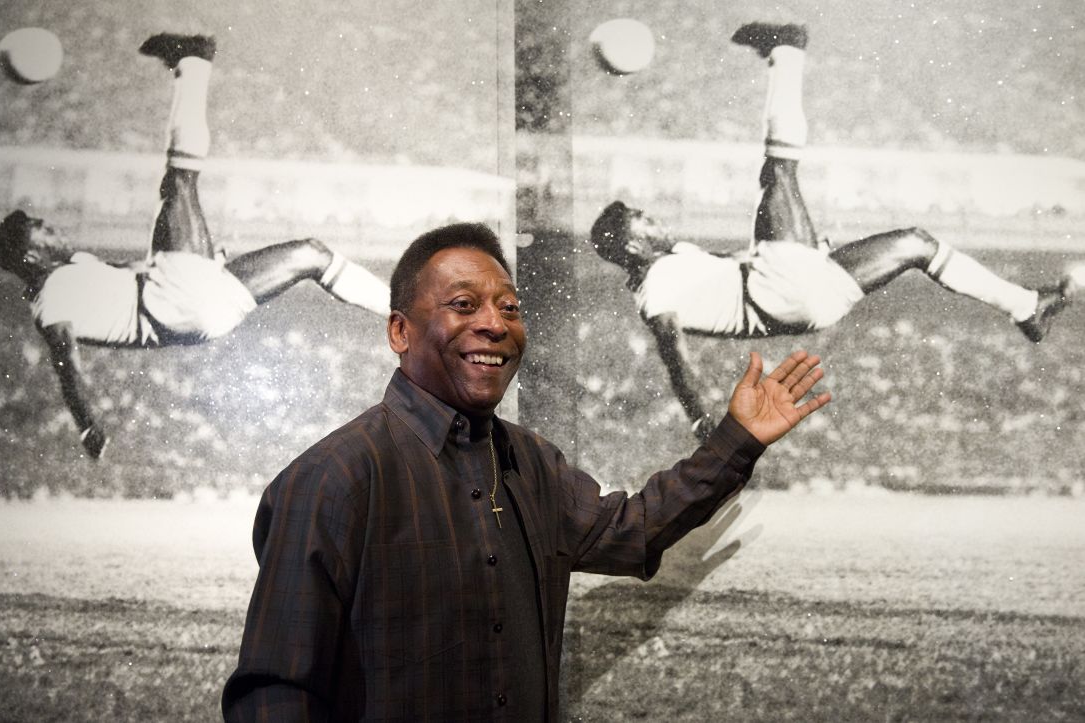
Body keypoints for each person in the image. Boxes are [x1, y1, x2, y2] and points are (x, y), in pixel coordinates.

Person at [221, 221, 831, 721]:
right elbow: (275, 695)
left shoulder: (532, 463)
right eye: (463, 305)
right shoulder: (332, 480)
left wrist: (737, 441)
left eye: (509, 307)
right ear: (399, 331)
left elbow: (635, 529)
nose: (494, 323)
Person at [589, 21, 1082, 439]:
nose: (653, 217)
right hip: (778, 292)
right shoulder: (656, 288)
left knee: (917, 243)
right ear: (632, 243)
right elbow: (673, 352)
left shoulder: (676, 262)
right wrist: (701, 419)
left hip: (806, 297)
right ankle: (786, 51)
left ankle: (1027, 307)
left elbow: (721, 277)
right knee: (778, 170)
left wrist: (795, 251)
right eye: (643, 218)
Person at [0, 33, 390, 460]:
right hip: (172, 302)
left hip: (200, 313)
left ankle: (404, 311)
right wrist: (87, 420)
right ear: (30, 256)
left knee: (312, 253)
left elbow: (125, 283)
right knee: (179, 181)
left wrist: (199, 262)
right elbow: (66, 364)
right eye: (41, 230)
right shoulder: (52, 299)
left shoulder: (74, 273)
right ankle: (193, 62)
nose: (52, 229)